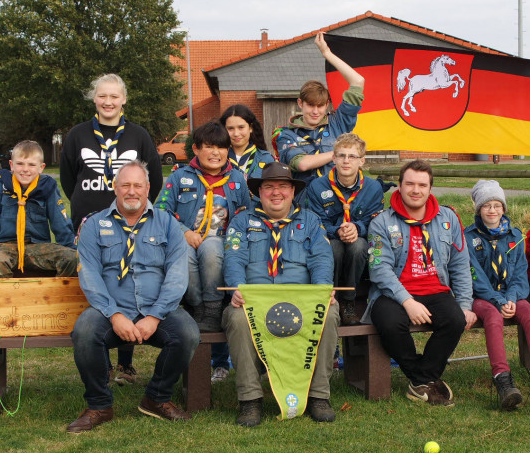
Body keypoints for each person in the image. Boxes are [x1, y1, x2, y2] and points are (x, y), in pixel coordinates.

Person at [67, 161, 199, 433]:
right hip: (110, 309)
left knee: (187, 334)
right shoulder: (94, 224)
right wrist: (114, 314)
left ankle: (157, 398)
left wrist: (154, 316)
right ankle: (98, 405)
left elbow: (177, 275)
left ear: (148, 188)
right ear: (115, 188)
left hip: (158, 308)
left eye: (138, 185)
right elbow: (89, 275)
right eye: (125, 185)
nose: (131, 191)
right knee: (85, 330)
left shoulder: (168, 225)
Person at [60, 73, 163, 384]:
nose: (108, 102)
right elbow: (68, 178)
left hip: (129, 221)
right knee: (98, 282)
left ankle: (126, 363)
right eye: (102, 96)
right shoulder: (78, 135)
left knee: (126, 281)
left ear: (124, 100)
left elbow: (153, 179)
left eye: (114, 97)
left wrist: (134, 209)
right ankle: (101, 360)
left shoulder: (138, 135)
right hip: (90, 223)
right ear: (95, 99)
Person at [222, 162, 339, 427]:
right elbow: (233, 258)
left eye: (283, 187)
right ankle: (250, 399)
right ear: (259, 192)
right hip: (254, 303)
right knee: (237, 318)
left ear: (292, 192)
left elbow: (321, 259)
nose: (277, 193)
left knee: (330, 312)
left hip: (301, 303)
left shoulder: (310, 221)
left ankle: (319, 395)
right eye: (269, 187)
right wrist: (237, 289)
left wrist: (323, 290)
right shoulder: (242, 221)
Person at [364, 160, 476, 406]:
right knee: (390, 322)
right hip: (393, 293)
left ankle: (420, 381)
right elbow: (379, 269)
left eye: (422, 185)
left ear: (430, 188)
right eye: (410, 183)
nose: (416, 190)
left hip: (436, 289)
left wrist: (466, 305)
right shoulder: (382, 222)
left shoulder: (449, 218)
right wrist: (408, 302)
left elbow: (460, 264)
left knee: (455, 320)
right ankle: (425, 378)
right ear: (400, 186)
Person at [155, 122, 250, 383]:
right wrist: (184, 231)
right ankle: (197, 305)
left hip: (222, 245)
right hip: (186, 239)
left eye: (221, 147)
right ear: (196, 149)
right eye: (209, 147)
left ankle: (210, 308)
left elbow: (247, 215)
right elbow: (161, 210)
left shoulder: (237, 179)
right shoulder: (179, 176)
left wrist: (233, 238)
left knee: (210, 245)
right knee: (182, 252)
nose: (215, 152)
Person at [465, 180, 530, 410]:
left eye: (497, 205)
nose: (492, 210)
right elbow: (475, 278)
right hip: (483, 297)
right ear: (478, 209)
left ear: (504, 208)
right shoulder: (469, 238)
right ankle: (503, 382)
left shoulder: (515, 235)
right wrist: (499, 301)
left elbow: (521, 275)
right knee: (492, 317)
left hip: (512, 294)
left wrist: (511, 298)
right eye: (486, 205)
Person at [305, 133, 384, 325]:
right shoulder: (317, 186)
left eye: (352, 156)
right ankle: (329, 298)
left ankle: (348, 302)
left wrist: (357, 228)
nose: (346, 161)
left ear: (362, 161)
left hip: (359, 242)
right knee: (334, 248)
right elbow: (315, 222)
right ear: (333, 158)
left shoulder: (373, 188)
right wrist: (336, 231)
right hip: (330, 239)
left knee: (358, 246)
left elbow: (375, 221)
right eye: (341, 155)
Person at [273, 32, 365, 189]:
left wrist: (327, 53)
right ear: (300, 103)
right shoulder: (286, 134)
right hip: (306, 205)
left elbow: (358, 81)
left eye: (320, 105)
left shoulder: (338, 123)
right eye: (310, 105)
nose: (315, 111)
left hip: (341, 200)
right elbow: (301, 164)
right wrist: (340, 153)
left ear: (327, 104)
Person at [0, 140, 77, 278]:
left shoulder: (48, 188)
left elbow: (61, 223)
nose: (25, 169)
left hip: (37, 246)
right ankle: (8, 298)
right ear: (11, 165)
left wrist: (71, 248)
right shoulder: (2, 186)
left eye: (32, 165)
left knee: (72, 259)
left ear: (41, 167)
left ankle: (52, 296)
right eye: (20, 163)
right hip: (5, 246)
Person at [219, 104, 275, 180]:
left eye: (241, 127)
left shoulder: (266, 159)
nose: (236, 134)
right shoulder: (217, 158)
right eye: (230, 128)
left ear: (251, 128)